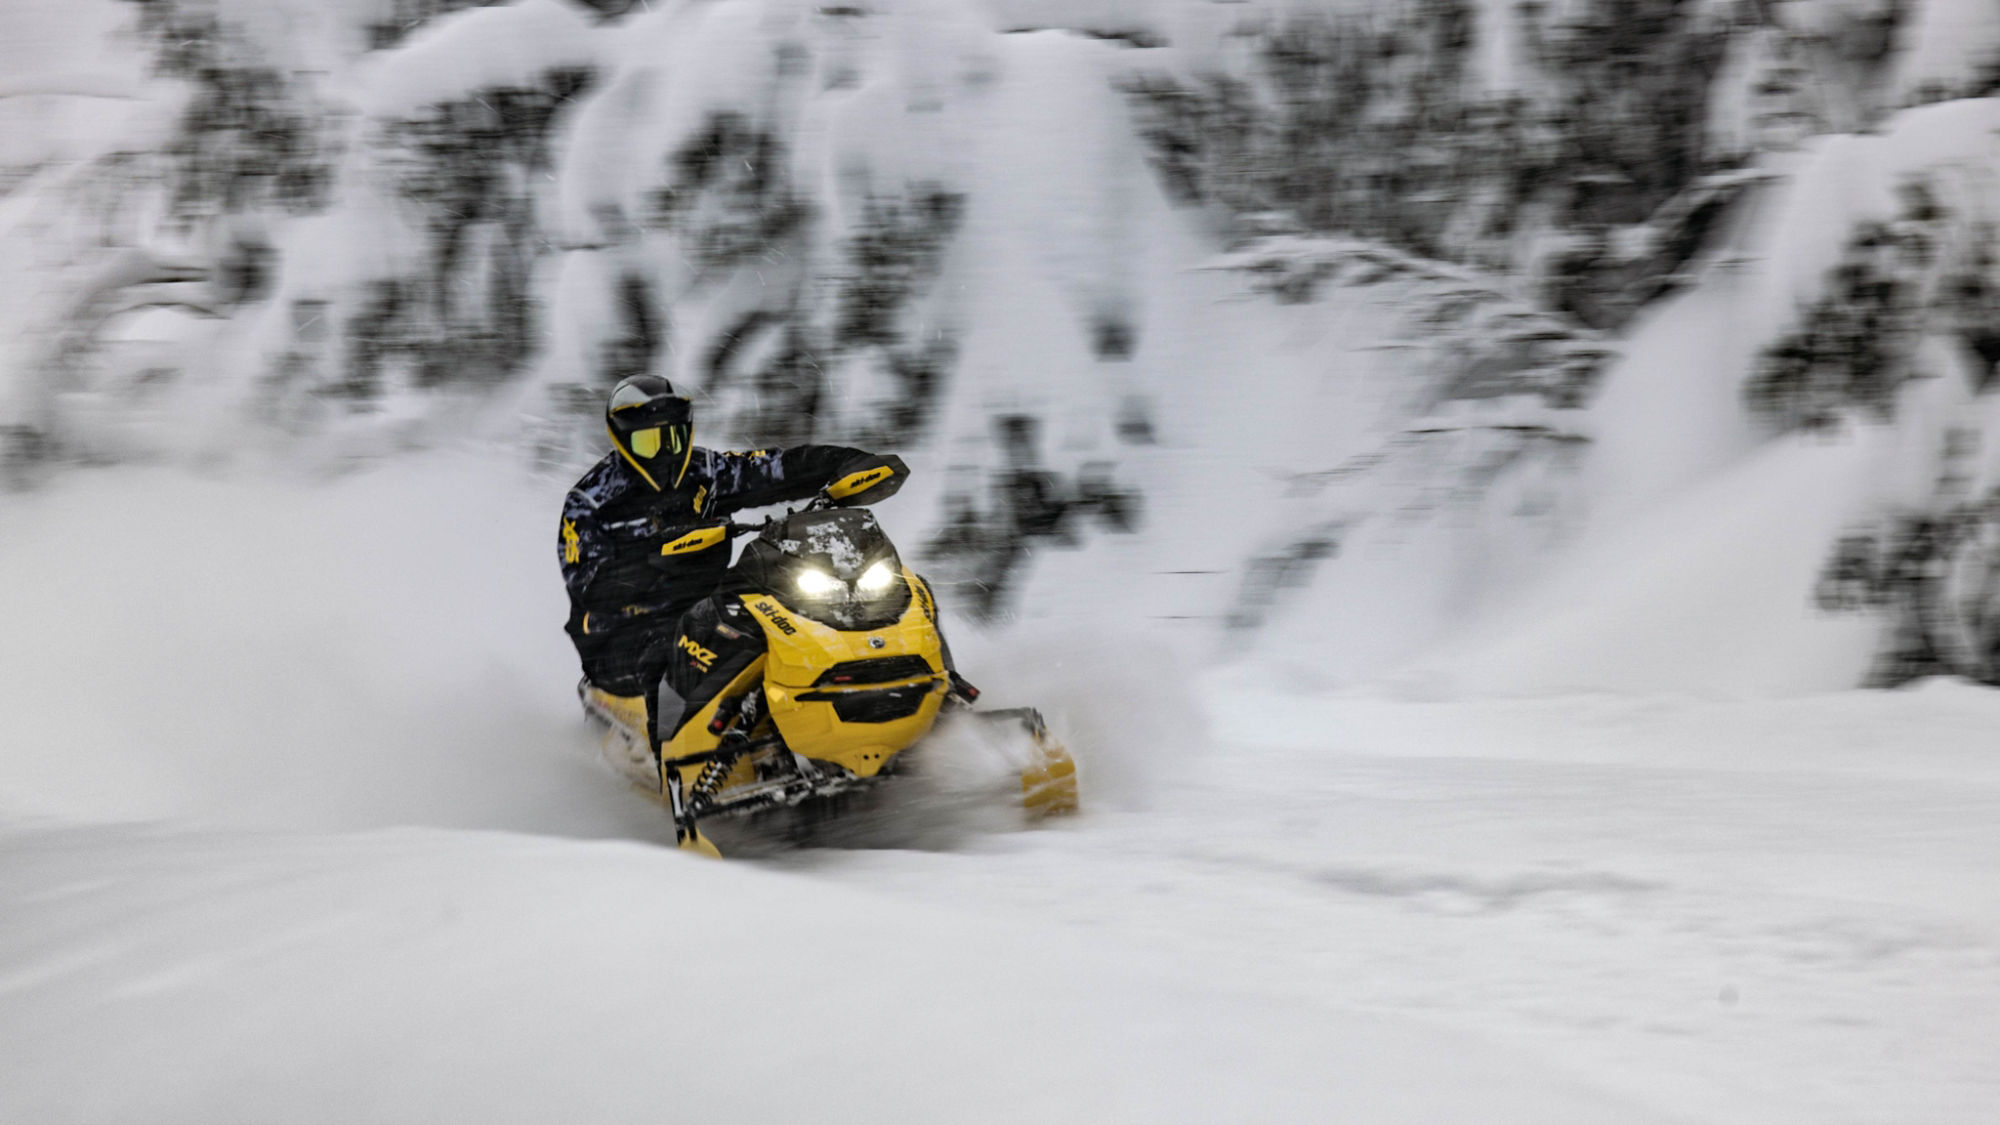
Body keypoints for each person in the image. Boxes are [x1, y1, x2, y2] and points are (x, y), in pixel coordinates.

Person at [558, 374, 906, 760]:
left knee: (809, 607)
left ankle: (892, 704)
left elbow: (777, 468)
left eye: (673, 438)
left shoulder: (704, 470)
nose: (665, 454)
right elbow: (589, 585)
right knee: (667, 650)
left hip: (707, 604)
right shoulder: (591, 502)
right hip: (622, 631)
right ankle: (675, 768)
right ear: (623, 442)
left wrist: (844, 464)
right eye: (649, 442)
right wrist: (660, 556)